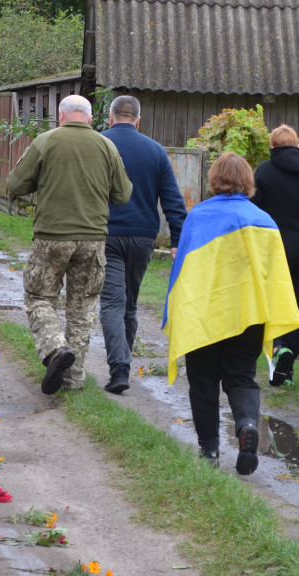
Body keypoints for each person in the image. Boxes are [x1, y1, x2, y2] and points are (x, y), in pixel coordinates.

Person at [164, 153, 299, 474]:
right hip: (249, 316)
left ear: (213, 180)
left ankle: (209, 451)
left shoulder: (198, 217)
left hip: (204, 315)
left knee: (203, 381)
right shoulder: (265, 221)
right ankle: (247, 426)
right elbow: (275, 277)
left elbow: (183, 270)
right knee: (241, 377)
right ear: (248, 182)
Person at [7, 94, 133, 394]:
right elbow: (123, 195)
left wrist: (40, 187)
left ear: (61, 116)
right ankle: (72, 380)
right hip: (92, 241)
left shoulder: (45, 141)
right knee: (82, 308)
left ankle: (55, 348)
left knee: (39, 298)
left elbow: (14, 185)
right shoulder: (107, 146)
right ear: (90, 118)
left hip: (51, 237)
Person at [99, 95, 186, 394]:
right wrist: (178, 240)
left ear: (110, 117)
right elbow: (173, 201)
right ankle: (124, 363)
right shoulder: (156, 151)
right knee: (130, 305)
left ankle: (119, 367)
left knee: (111, 301)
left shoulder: (100, 144)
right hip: (143, 237)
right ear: (138, 119)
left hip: (107, 234)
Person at [251, 125, 299, 387]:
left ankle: (276, 350)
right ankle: (287, 366)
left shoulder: (263, 172)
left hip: (272, 248)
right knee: (296, 306)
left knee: (270, 303)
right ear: (298, 145)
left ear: (272, 147)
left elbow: (253, 210)